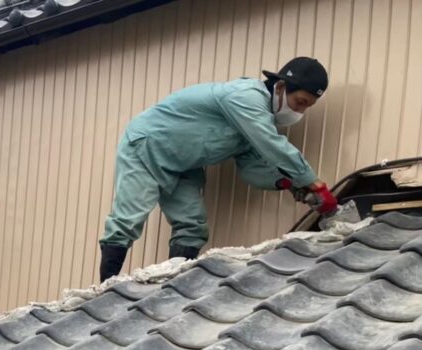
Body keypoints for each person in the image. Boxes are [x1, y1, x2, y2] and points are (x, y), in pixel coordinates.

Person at [99, 56, 338, 281]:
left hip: (184, 163)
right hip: (147, 145)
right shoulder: (246, 97)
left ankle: (176, 287)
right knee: (128, 219)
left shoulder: (254, 123)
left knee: (192, 226)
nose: (300, 111)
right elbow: (272, 144)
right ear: (281, 87)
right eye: (300, 102)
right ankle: (104, 291)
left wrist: (287, 183)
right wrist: (314, 183)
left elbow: (253, 169)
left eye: (308, 107)